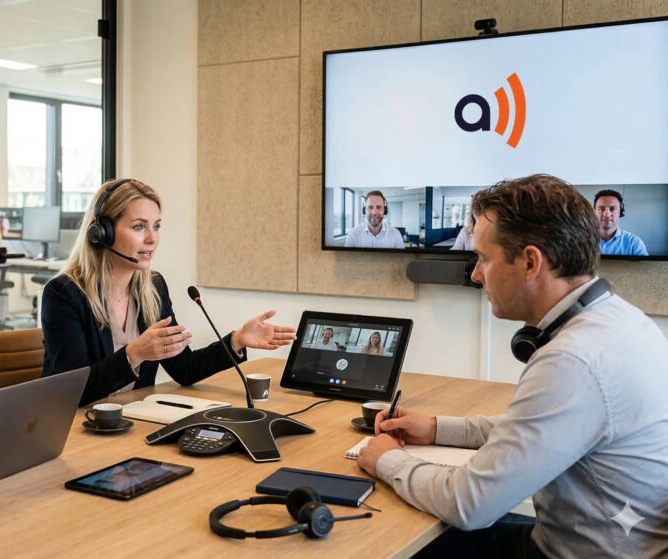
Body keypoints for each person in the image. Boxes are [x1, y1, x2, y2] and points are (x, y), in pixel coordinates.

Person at [357, 174, 668, 558]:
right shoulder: (621, 319)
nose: (474, 274)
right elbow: (539, 428)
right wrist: (437, 428)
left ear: (530, 262)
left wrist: (385, 459)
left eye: (484, 258)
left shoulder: (572, 361)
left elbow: (468, 504)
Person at [41, 178, 297, 406]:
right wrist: (134, 353)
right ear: (102, 233)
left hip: (131, 422)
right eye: (139, 227)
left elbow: (183, 369)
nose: (152, 239)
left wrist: (237, 339)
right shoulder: (65, 293)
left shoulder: (152, 287)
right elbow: (72, 392)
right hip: (76, 430)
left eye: (157, 226)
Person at [593, 189, 648, 256]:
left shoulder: (635, 244)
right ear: (594, 212)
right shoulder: (582, 241)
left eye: (612, 209)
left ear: (620, 212)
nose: (606, 214)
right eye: (601, 209)